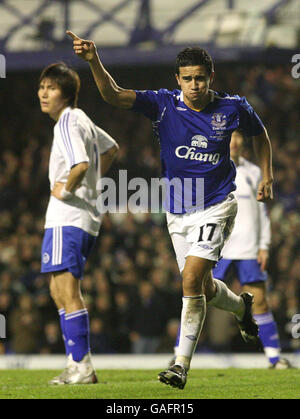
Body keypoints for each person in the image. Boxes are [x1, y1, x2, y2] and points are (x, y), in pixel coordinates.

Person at [67, 32, 273, 390]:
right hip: (177, 211)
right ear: (177, 79)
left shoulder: (233, 107)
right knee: (204, 288)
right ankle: (242, 308)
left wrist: (266, 175)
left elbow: (261, 134)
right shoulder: (162, 104)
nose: (194, 85)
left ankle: (180, 365)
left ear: (211, 77)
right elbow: (112, 95)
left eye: (200, 78)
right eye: (187, 79)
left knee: (190, 281)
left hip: (217, 205)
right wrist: (92, 61)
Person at [38, 62, 119, 384]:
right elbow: (111, 148)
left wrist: (67, 188)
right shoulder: (81, 118)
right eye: (42, 87)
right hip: (81, 215)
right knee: (58, 289)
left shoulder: (67, 121)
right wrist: (93, 186)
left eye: (51, 88)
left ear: (66, 94)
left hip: (67, 215)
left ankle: (83, 367)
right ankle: (76, 363)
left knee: (67, 290)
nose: (44, 93)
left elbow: (81, 164)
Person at [212, 129, 291, 368]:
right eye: (230, 136)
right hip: (218, 247)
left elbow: (262, 213)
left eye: (238, 136)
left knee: (261, 302)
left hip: (248, 248)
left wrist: (264, 246)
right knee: (197, 297)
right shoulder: (210, 168)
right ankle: (181, 356)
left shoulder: (254, 172)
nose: (234, 141)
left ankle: (274, 358)